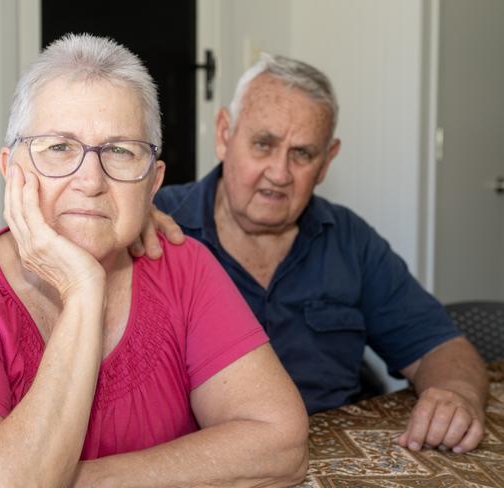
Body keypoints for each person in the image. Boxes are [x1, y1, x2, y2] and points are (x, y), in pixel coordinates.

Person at [0, 36, 309, 487]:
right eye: (59, 148)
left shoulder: (183, 267)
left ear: (152, 183)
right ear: (12, 170)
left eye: (120, 151)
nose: (90, 180)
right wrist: (84, 290)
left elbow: (281, 446)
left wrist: (68, 481)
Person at [147, 53, 489, 454]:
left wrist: (456, 393)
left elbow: (440, 346)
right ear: (224, 134)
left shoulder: (349, 240)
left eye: (303, 154)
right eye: (263, 144)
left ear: (327, 162)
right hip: (199, 465)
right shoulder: (154, 227)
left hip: (332, 460)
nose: (279, 173)